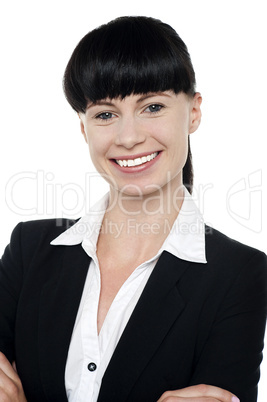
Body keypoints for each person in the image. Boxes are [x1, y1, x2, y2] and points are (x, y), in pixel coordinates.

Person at [0, 16, 266, 402]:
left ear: (193, 111)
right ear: (83, 128)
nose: (128, 138)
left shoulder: (239, 275)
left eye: (153, 106)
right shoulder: (29, 249)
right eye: (105, 114)